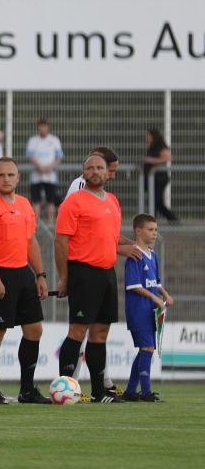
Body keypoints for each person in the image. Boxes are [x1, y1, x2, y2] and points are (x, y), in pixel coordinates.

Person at [0, 158, 51, 404]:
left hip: (24, 275)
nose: (6, 179)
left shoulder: (25, 204)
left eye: (11, 175)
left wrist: (39, 275)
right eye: (1, 175)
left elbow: (31, 242)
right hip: (1, 275)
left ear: (18, 177)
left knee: (34, 330)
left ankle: (27, 390)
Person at [55, 154, 123, 403]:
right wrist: (64, 277)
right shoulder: (74, 202)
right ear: (83, 172)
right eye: (90, 168)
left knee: (101, 333)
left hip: (107, 273)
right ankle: (65, 388)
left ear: (107, 173)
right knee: (78, 330)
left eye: (100, 168)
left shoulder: (113, 202)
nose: (95, 171)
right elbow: (61, 241)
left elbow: (111, 239)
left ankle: (98, 392)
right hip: (83, 271)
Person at [123, 214, 173, 402]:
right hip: (138, 310)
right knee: (148, 347)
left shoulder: (153, 255)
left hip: (150, 310)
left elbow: (155, 281)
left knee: (146, 348)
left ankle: (130, 391)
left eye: (156, 230)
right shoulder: (134, 255)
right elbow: (134, 286)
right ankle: (145, 392)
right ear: (138, 231)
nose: (154, 233)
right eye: (150, 229)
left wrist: (165, 294)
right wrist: (155, 298)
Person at [25, 118, 63, 222]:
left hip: (50, 177)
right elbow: (30, 156)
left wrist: (50, 167)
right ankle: (36, 225)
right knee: (36, 201)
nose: (42, 129)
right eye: (40, 127)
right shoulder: (33, 141)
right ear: (38, 128)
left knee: (50, 201)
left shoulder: (54, 140)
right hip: (36, 177)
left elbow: (59, 157)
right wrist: (39, 167)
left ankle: (49, 224)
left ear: (47, 127)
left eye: (44, 127)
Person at [143, 128, 179, 222]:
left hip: (160, 179)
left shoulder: (161, 145)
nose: (146, 137)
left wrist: (151, 160)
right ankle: (173, 221)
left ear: (153, 136)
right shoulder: (152, 146)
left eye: (148, 135)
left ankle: (151, 223)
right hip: (152, 178)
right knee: (158, 203)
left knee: (155, 201)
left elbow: (169, 158)